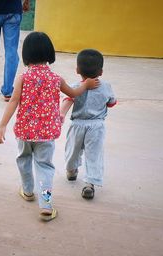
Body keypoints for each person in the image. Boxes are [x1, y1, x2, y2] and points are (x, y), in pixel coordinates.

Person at [0, 32, 99, 221]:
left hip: (25, 132)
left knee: (23, 159)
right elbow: (74, 93)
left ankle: (27, 191)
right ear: (50, 53)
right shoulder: (56, 79)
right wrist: (86, 84)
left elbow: (13, 102)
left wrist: (2, 126)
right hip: (46, 134)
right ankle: (46, 203)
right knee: (45, 167)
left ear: (26, 55)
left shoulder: (22, 78)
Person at [59, 49, 117, 200]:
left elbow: (68, 100)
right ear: (101, 71)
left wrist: (62, 114)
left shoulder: (75, 86)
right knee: (94, 154)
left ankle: (71, 170)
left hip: (77, 124)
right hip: (97, 126)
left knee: (72, 149)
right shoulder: (106, 87)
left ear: (77, 70)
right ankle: (90, 184)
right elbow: (111, 103)